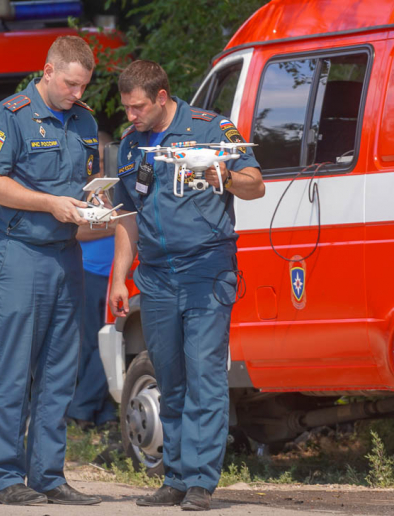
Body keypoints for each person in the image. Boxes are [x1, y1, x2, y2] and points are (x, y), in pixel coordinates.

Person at [109, 60, 265, 511]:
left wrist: (225, 177)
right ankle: (175, 477)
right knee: (170, 377)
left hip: (206, 269)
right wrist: (119, 276)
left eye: (137, 107)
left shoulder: (211, 128)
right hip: (155, 274)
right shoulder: (132, 146)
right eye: (126, 109)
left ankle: (201, 481)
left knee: (204, 375)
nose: (131, 116)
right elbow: (128, 215)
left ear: (161, 97)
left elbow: (256, 185)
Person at [0, 35, 102, 507]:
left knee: (58, 371)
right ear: (48, 71)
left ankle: (48, 476)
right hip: (20, 253)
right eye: (69, 84)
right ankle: (5, 478)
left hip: (67, 255)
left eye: (83, 86)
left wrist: (96, 206)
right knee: (12, 369)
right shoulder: (10, 116)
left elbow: (88, 182)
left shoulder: (84, 120)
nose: (76, 94)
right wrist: (49, 203)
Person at [67, 131, 119, 429]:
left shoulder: (117, 187)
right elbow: (76, 231)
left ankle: (89, 411)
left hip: (118, 275)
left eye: (102, 159)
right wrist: (114, 226)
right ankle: (96, 413)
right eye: (93, 160)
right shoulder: (79, 190)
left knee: (111, 340)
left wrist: (112, 222)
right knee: (89, 346)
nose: (98, 165)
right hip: (88, 273)